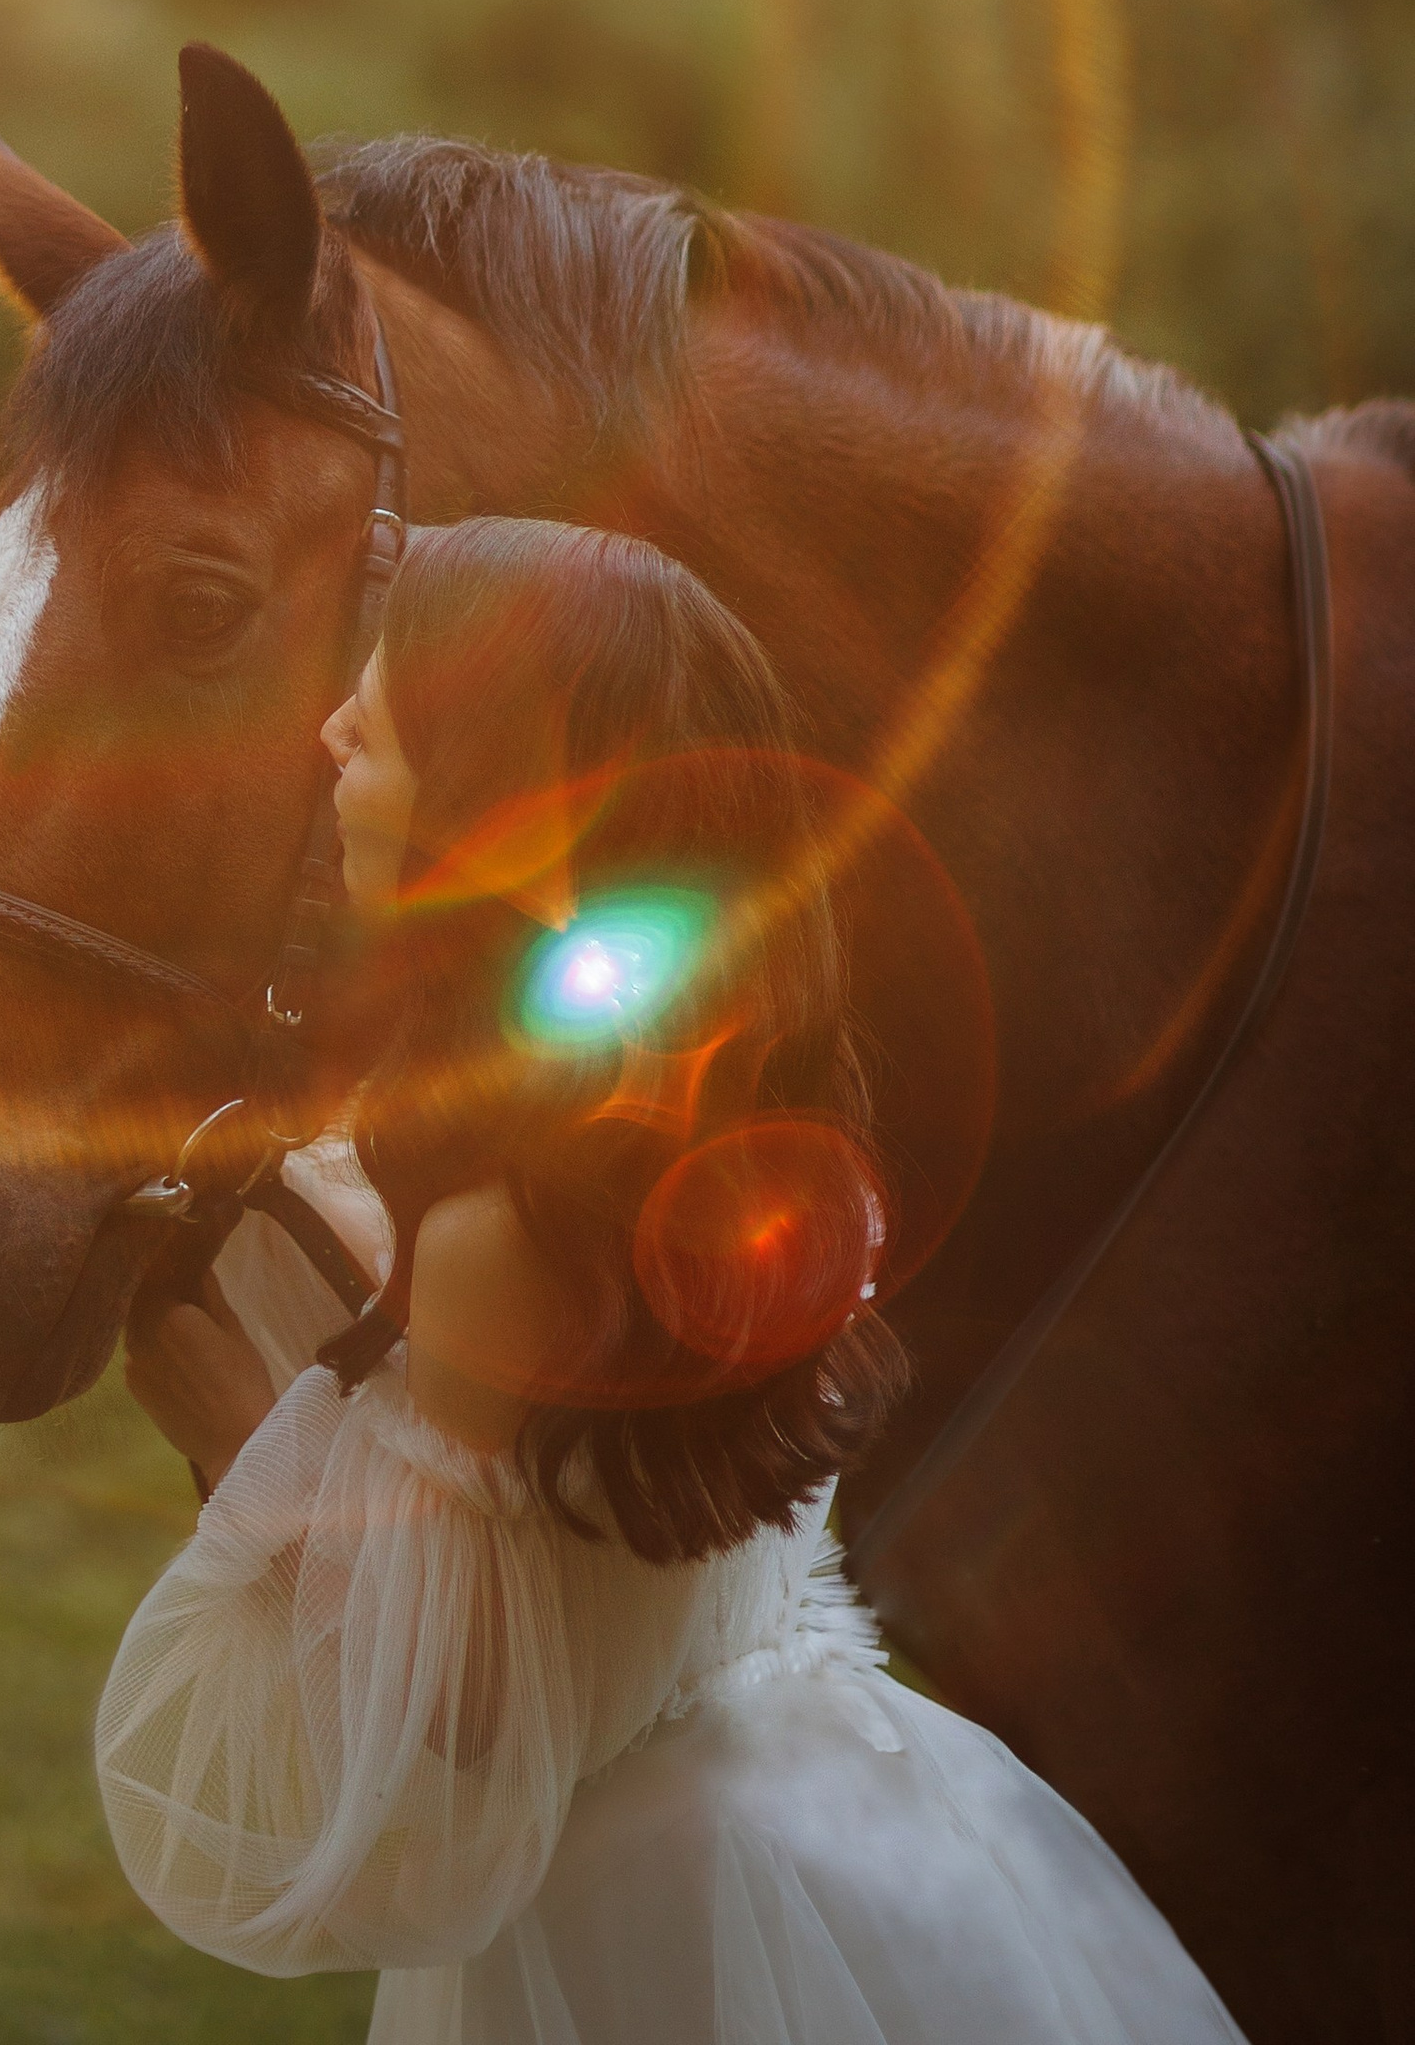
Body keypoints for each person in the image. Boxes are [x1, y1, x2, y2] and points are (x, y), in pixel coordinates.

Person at [97, 518, 1246, 2045]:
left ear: (497, 808)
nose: (329, 735)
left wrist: (242, 1437)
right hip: (836, 1792)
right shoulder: (725, 1113)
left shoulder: (509, 1229)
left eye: (376, 720)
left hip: (648, 1906)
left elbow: (485, 1711)